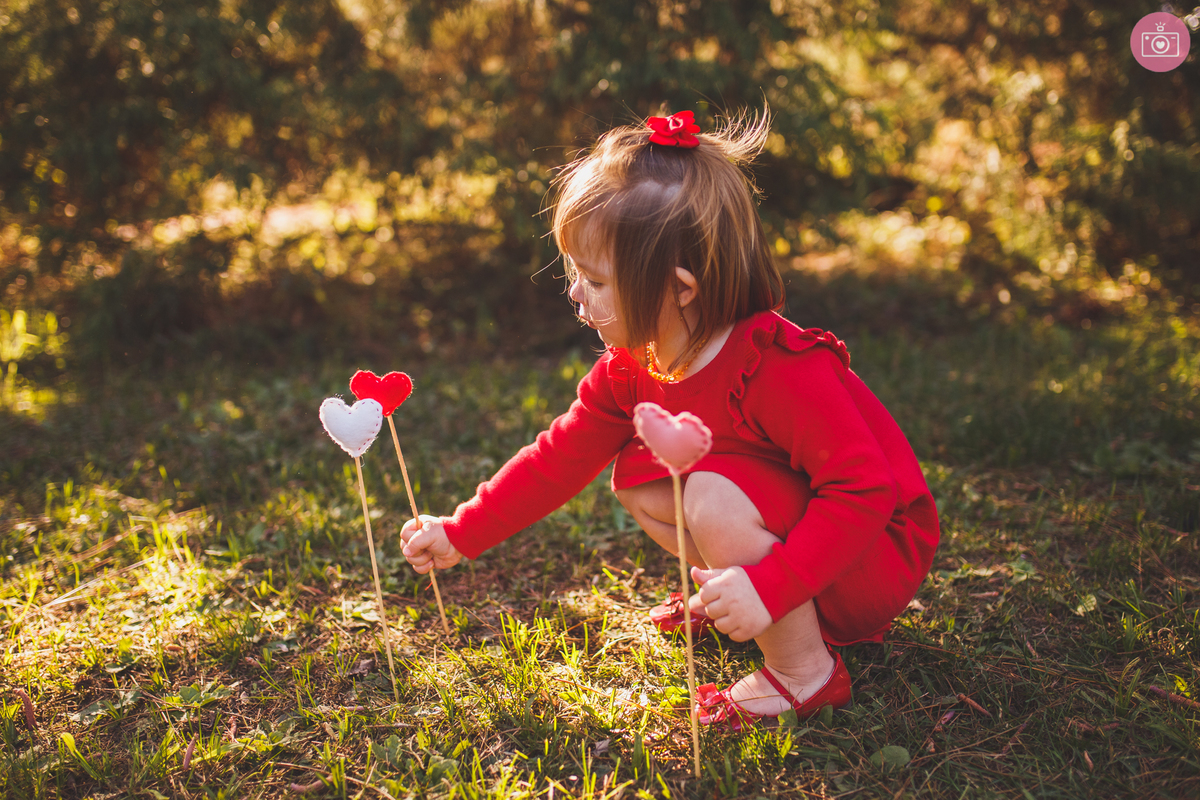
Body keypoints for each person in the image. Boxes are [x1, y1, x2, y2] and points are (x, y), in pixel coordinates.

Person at [401, 109, 939, 730]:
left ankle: (803, 671)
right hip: (807, 533)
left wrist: (774, 584)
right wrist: (463, 529)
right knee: (642, 476)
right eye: (574, 271)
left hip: (868, 555)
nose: (574, 291)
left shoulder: (781, 367)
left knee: (707, 494)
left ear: (680, 288)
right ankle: (742, 594)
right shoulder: (634, 366)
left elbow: (866, 491)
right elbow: (561, 454)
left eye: (595, 278)